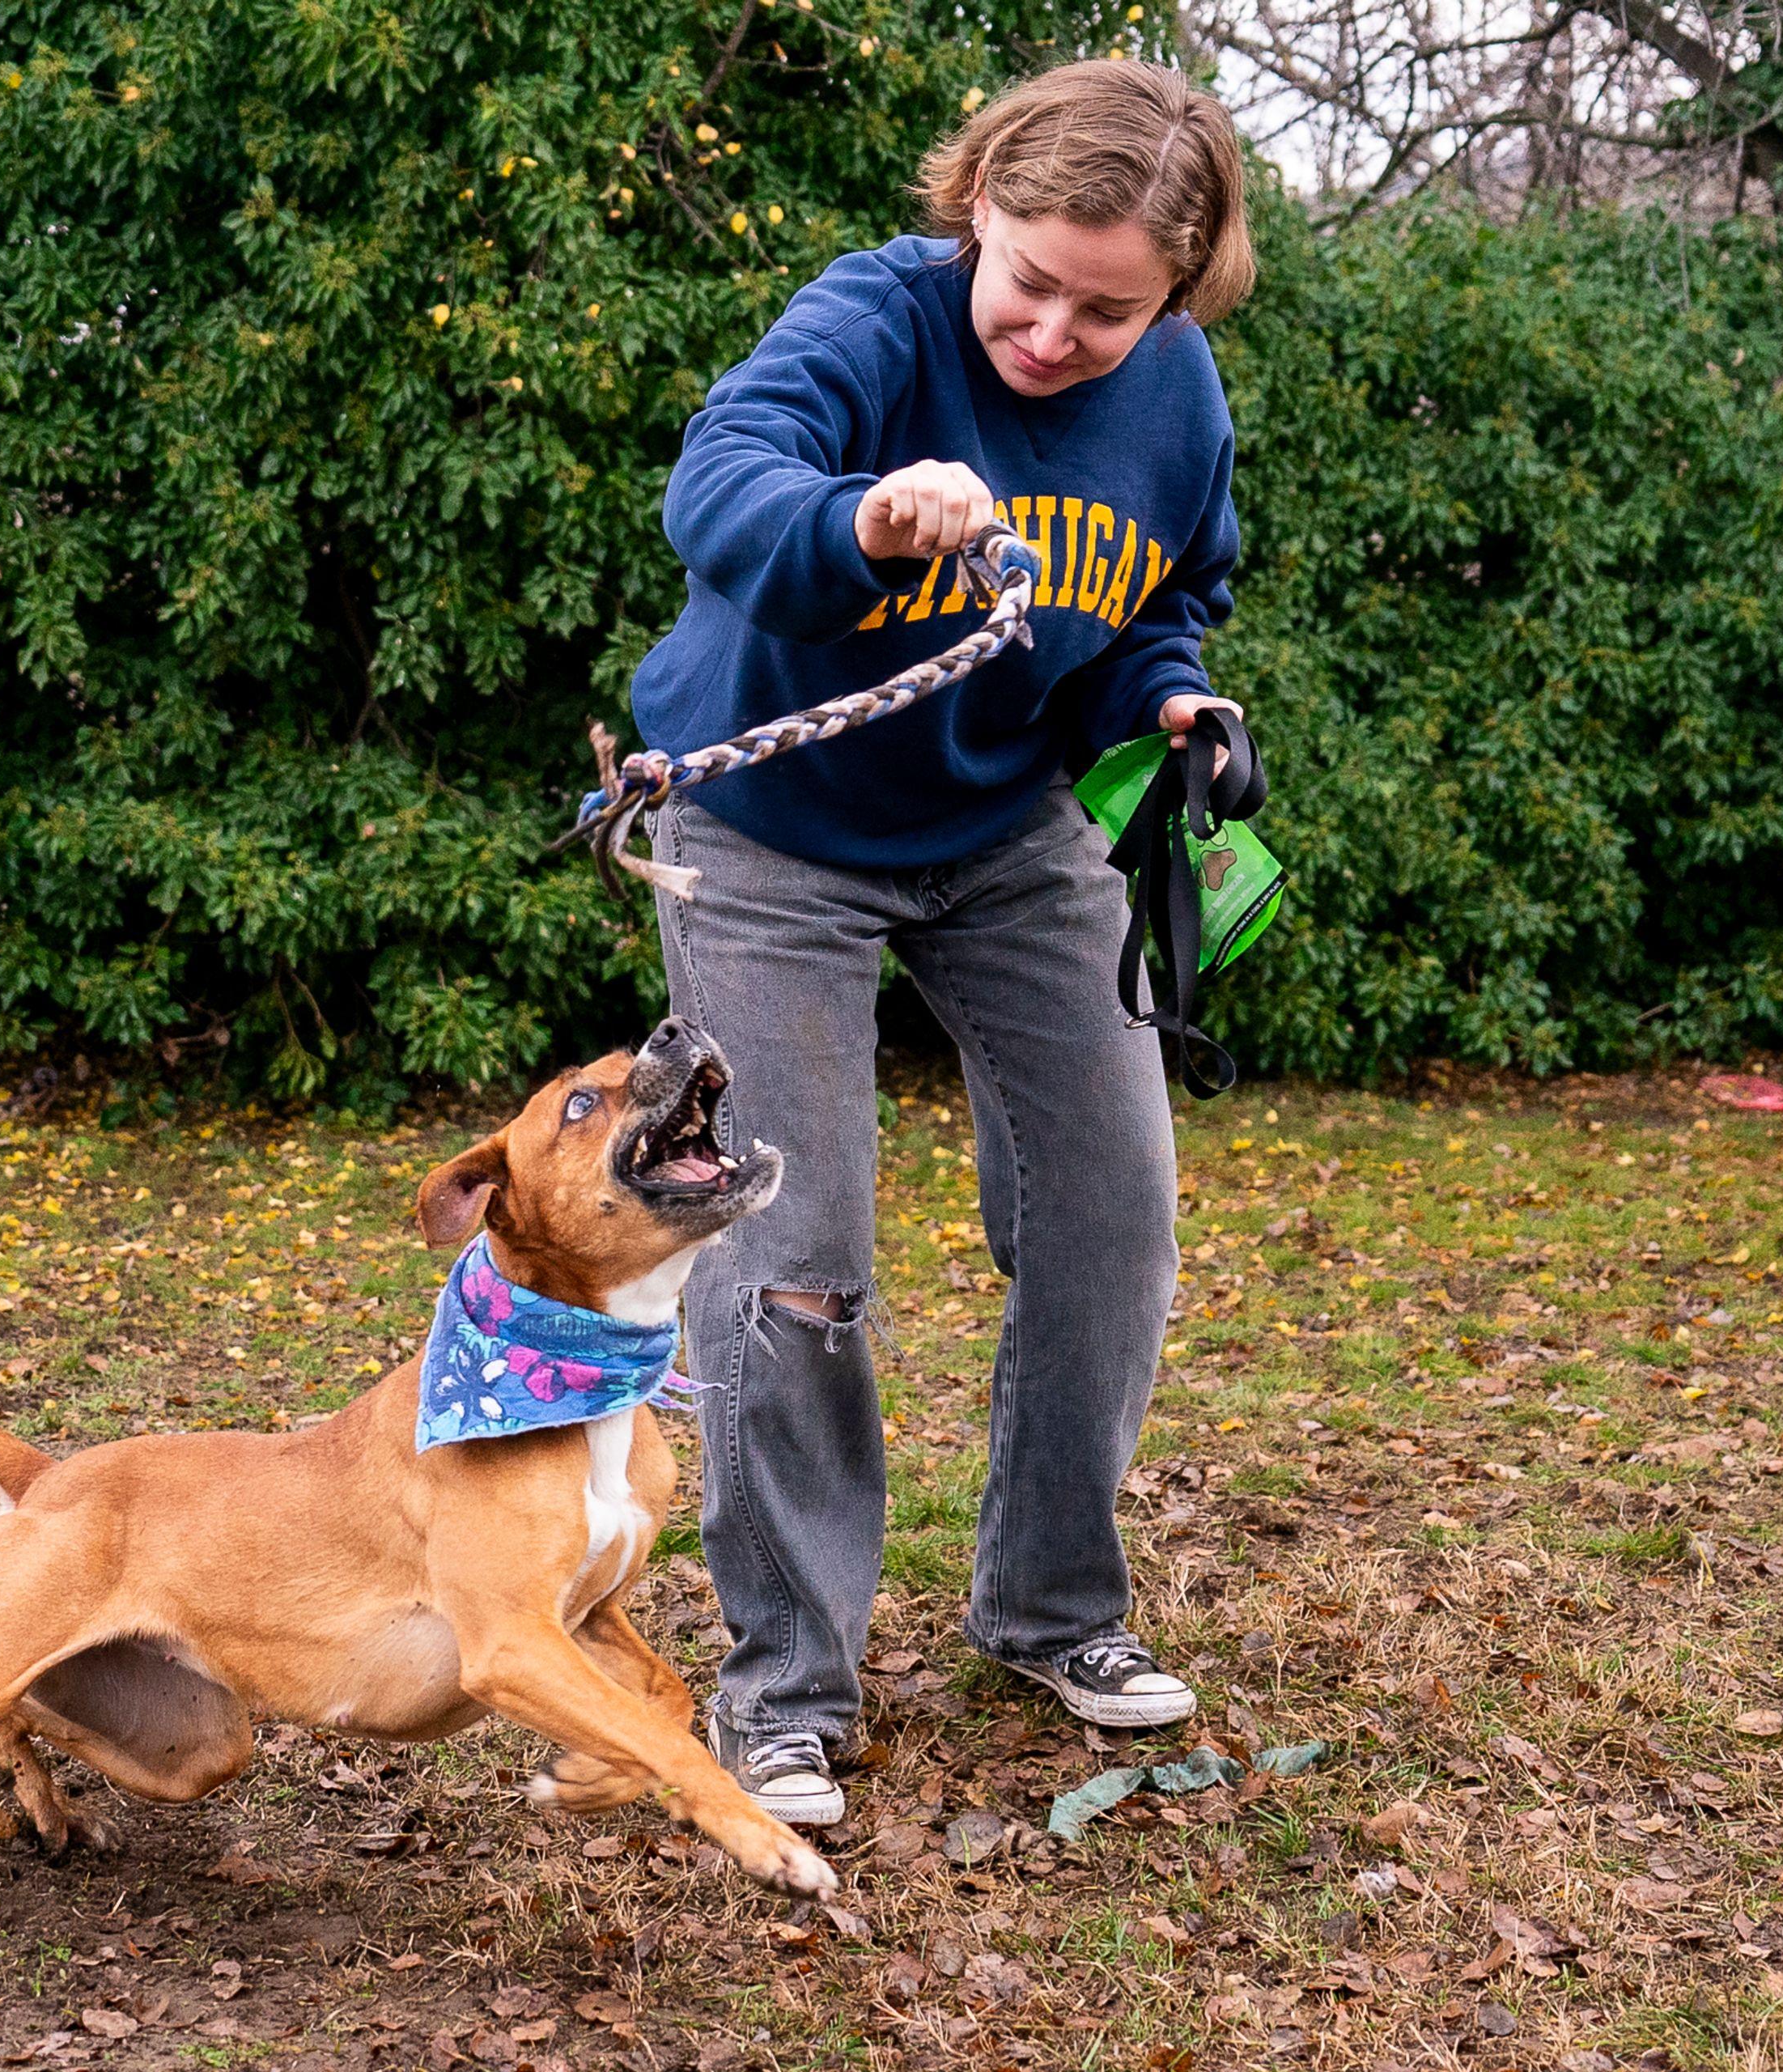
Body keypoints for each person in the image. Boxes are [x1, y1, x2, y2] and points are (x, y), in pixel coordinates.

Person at [630, 58, 1254, 1827]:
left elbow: (1163, 592)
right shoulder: (869, 320)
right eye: (1031, 280)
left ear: (1180, 295)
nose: (1054, 331)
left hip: (1009, 835)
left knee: (1110, 1214)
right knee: (794, 1254)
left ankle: (1052, 1606)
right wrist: (862, 518)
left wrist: (1176, 695)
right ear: (977, 206)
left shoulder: (1176, 395)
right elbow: (720, 486)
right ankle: (785, 1688)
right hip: (772, 836)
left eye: (1108, 309)